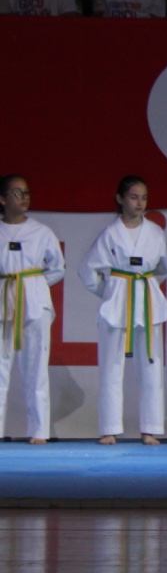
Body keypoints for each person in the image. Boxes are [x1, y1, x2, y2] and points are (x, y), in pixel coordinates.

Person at [79, 175, 167, 445]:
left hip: (147, 299)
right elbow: (87, 270)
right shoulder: (110, 233)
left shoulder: (155, 232)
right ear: (120, 199)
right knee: (111, 367)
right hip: (118, 301)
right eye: (133, 197)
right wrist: (110, 291)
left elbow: (163, 269)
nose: (140, 203)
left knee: (151, 366)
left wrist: (145, 287)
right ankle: (109, 429)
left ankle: (150, 428)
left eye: (144, 197)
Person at [0, 174, 64, 444]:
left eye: (26, 192)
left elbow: (57, 268)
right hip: (2, 300)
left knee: (36, 368)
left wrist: (32, 285)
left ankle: (39, 431)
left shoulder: (41, 232)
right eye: (17, 193)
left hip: (34, 303)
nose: (24, 197)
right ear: (2, 199)